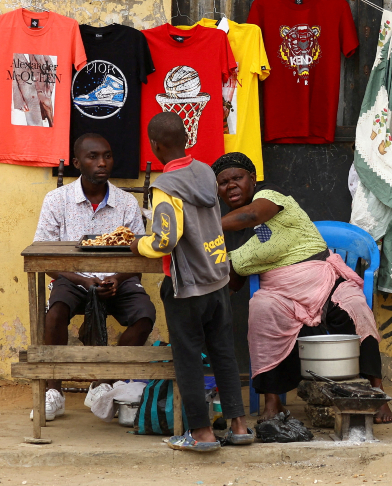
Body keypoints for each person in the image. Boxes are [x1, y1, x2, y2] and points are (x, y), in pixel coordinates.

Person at [211, 152, 390, 423]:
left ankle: (376, 394)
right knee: (260, 308)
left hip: (323, 279)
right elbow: (234, 278)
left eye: (237, 178)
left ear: (253, 179)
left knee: (354, 306)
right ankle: (273, 404)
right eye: (223, 183)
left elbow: (253, 215)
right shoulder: (226, 234)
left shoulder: (269, 195)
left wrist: (202, 227)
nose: (231, 185)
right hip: (279, 293)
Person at [132, 113, 252, 452]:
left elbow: (164, 241)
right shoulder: (204, 172)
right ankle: (238, 425)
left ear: (155, 146)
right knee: (223, 352)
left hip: (186, 285)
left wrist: (137, 244)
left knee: (186, 357)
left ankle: (200, 433)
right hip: (217, 275)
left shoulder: (165, 187)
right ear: (187, 138)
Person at [32, 133, 154, 421]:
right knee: (55, 312)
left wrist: (116, 277)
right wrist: (84, 281)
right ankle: (53, 390)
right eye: (93, 157)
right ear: (77, 163)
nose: (102, 162)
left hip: (118, 280)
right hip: (74, 279)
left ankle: (103, 380)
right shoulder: (57, 200)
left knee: (145, 315)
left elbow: (140, 256)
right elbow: (44, 256)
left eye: (107, 156)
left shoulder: (126, 203)